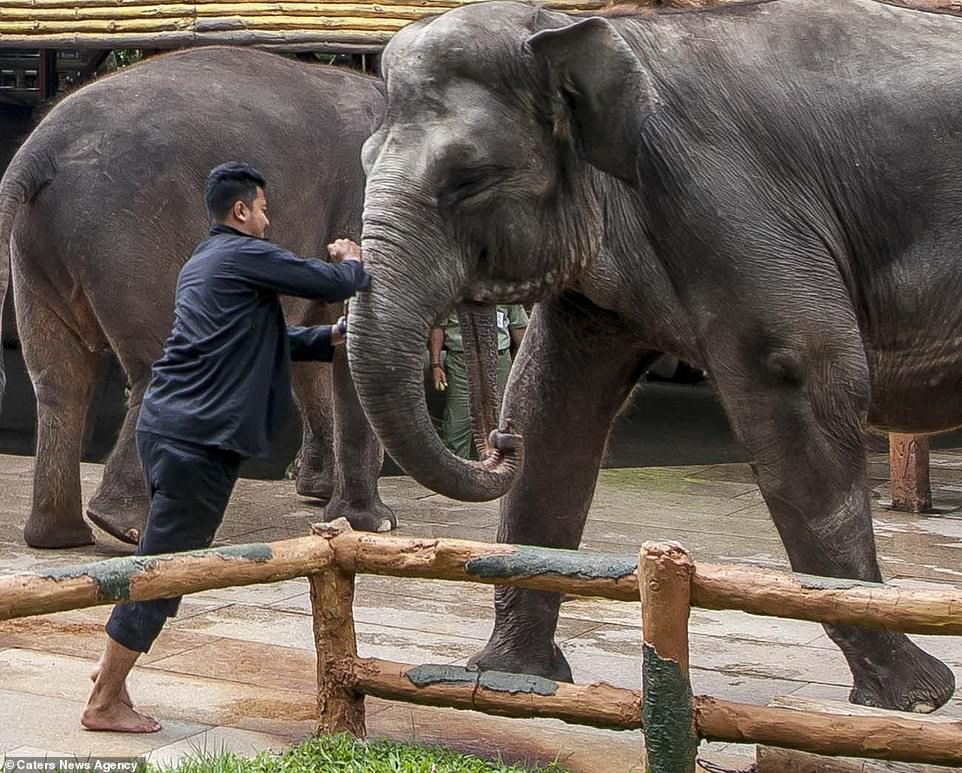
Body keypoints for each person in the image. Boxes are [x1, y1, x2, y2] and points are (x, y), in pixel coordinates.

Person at [80, 162, 370, 733]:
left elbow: (266, 340)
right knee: (164, 572)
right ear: (241, 211)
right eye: (263, 209)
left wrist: (332, 337)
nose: (267, 219)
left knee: (162, 563)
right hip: (197, 439)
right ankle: (104, 699)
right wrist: (351, 259)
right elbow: (334, 284)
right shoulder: (244, 255)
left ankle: (107, 676)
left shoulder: (205, 262)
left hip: (171, 427)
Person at [429, 305, 527, 459]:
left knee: (500, 419)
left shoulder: (505, 286)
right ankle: (458, 470)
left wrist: (519, 370)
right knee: (458, 422)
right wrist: (435, 365)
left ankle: (496, 470)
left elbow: (519, 329)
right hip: (461, 361)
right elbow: (438, 327)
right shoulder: (455, 288)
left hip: (499, 360)